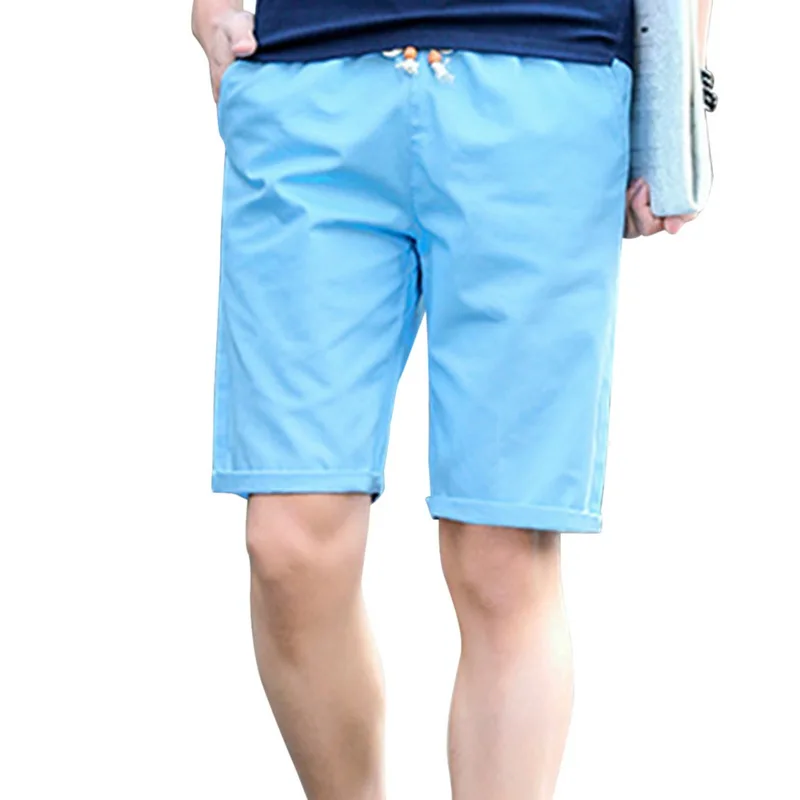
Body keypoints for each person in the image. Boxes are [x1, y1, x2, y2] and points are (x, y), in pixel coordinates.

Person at [191, 1, 713, 798]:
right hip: (307, 72)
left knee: (501, 554)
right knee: (289, 543)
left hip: (543, 73)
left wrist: (682, 97)